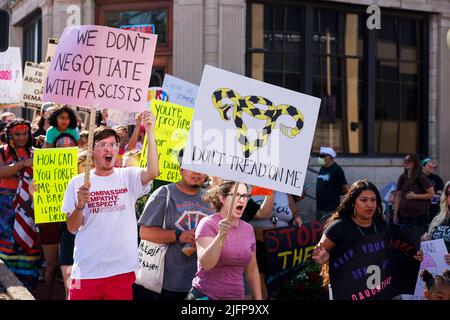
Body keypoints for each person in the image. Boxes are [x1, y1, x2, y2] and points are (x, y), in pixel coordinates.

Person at [61, 110, 159, 300]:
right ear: (92, 150)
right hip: (87, 271)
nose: (109, 149)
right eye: (102, 145)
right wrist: (80, 205)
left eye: (113, 145)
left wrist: (150, 131)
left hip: (121, 270)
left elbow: (153, 171)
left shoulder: (128, 176)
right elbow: (72, 227)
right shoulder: (77, 182)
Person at [312, 180, 423, 289]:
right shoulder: (339, 227)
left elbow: (392, 254)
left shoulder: (381, 225)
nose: (370, 205)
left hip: (377, 290)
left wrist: (413, 255)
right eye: (364, 200)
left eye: (373, 200)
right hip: (347, 289)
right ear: (353, 203)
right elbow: (317, 255)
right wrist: (323, 258)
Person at [137, 166, 214, 300]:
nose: (197, 172)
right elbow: (144, 233)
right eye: (191, 167)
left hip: (200, 285)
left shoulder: (211, 198)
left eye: (202, 168)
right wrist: (179, 236)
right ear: (181, 170)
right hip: (166, 284)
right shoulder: (164, 194)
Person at [186, 180, 262, 300]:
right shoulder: (208, 224)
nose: (242, 200)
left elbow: (252, 269)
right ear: (222, 198)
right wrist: (220, 235)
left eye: (245, 196)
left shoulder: (248, 229)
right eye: (236, 195)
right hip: (206, 297)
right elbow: (207, 264)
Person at [0, 119, 41, 290]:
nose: (22, 137)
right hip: (6, 202)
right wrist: (23, 164)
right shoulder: (2, 152)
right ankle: (5, 281)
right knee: (7, 240)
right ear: (9, 135)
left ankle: (28, 284)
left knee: (29, 239)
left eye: (25, 133)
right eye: (17, 134)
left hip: (30, 203)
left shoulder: (36, 152)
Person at [249, 191, 302, 299]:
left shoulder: (284, 192)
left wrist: (296, 219)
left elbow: (294, 213)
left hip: (282, 246)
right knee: (261, 291)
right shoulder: (248, 189)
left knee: (281, 287)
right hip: (257, 246)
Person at [393, 154, 434, 234]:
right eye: (405, 161)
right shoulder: (402, 177)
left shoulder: (421, 177)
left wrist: (415, 196)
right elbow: (398, 196)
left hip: (418, 217)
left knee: (417, 240)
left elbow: (431, 194)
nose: (406, 163)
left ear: (414, 163)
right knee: (405, 240)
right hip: (404, 216)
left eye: (409, 162)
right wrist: (395, 214)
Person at [315, 146, 349, 224]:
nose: (320, 158)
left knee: (328, 231)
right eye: (319, 156)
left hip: (331, 209)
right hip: (320, 208)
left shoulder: (336, 169)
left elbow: (346, 189)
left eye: (322, 156)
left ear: (329, 157)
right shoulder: (322, 168)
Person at [422, 181, 450, 266]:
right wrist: (424, 241)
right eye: (449, 193)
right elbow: (429, 241)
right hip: (437, 271)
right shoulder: (439, 219)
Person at [422, 157, 444, 224]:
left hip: (433, 208)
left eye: (433, 166)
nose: (432, 168)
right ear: (423, 166)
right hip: (420, 207)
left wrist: (434, 199)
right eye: (429, 166)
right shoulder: (418, 177)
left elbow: (440, 192)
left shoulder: (437, 178)